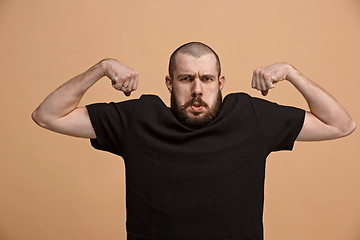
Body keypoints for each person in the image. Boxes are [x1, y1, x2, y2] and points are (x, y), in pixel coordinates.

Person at [32, 42, 355, 240]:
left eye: (207, 79)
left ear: (220, 82)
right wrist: (101, 68)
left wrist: (290, 72)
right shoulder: (137, 117)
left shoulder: (251, 116)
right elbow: (48, 115)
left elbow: (341, 125)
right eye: (187, 79)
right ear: (170, 84)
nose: (197, 89)